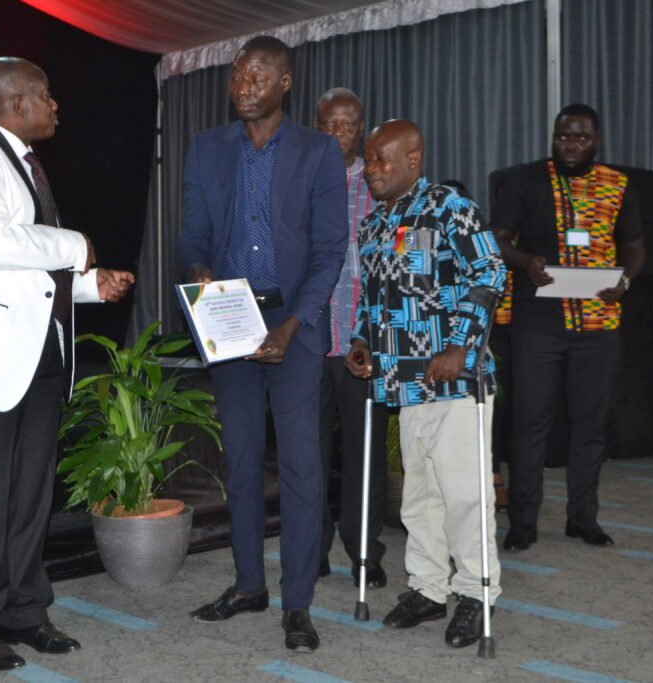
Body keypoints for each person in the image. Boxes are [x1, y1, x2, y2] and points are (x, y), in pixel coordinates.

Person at [0, 56, 135, 671]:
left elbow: (30, 273)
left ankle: (24, 613)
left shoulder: (25, 165)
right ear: (17, 102)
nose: (55, 106)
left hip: (41, 351)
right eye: (46, 95)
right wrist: (77, 247)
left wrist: (95, 285)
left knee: (28, 497)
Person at [178, 36, 348, 652]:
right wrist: (199, 270)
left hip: (294, 326)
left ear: (284, 83)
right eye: (235, 77)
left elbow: (330, 250)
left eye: (256, 77)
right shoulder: (205, 149)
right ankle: (249, 584)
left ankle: (297, 603)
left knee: (302, 468)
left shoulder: (319, 151)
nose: (243, 87)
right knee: (242, 461)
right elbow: (192, 234)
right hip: (230, 321)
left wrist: (293, 323)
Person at [346, 120, 505, 648]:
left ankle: (477, 596)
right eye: (368, 160)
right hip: (404, 387)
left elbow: (490, 274)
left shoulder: (448, 208)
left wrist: (460, 345)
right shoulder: (372, 227)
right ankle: (430, 589)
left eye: (381, 160)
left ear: (413, 159)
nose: (371, 170)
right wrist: (361, 341)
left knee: (464, 497)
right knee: (419, 499)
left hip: (456, 385)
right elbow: (372, 301)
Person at [493, 103, 645, 552]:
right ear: (553, 136)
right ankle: (523, 524)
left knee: (590, 425)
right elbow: (495, 239)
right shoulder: (524, 180)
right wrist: (526, 262)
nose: (570, 144)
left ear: (596, 140)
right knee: (531, 423)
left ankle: (583, 519)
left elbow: (634, 247)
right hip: (538, 322)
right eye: (563, 136)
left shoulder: (617, 186)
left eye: (580, 137)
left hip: (598, 321)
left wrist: (626, 279)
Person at [313, 87, 388, 588]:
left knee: (366, 454)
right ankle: (309, 547)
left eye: (350, 123)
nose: (341, 132)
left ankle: (365, 552)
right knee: (308, 454)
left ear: (361, 129)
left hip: (363, 344)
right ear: (317, 126)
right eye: (331, 123)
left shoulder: (382, 184)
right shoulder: (299, 183)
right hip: (309, 343)